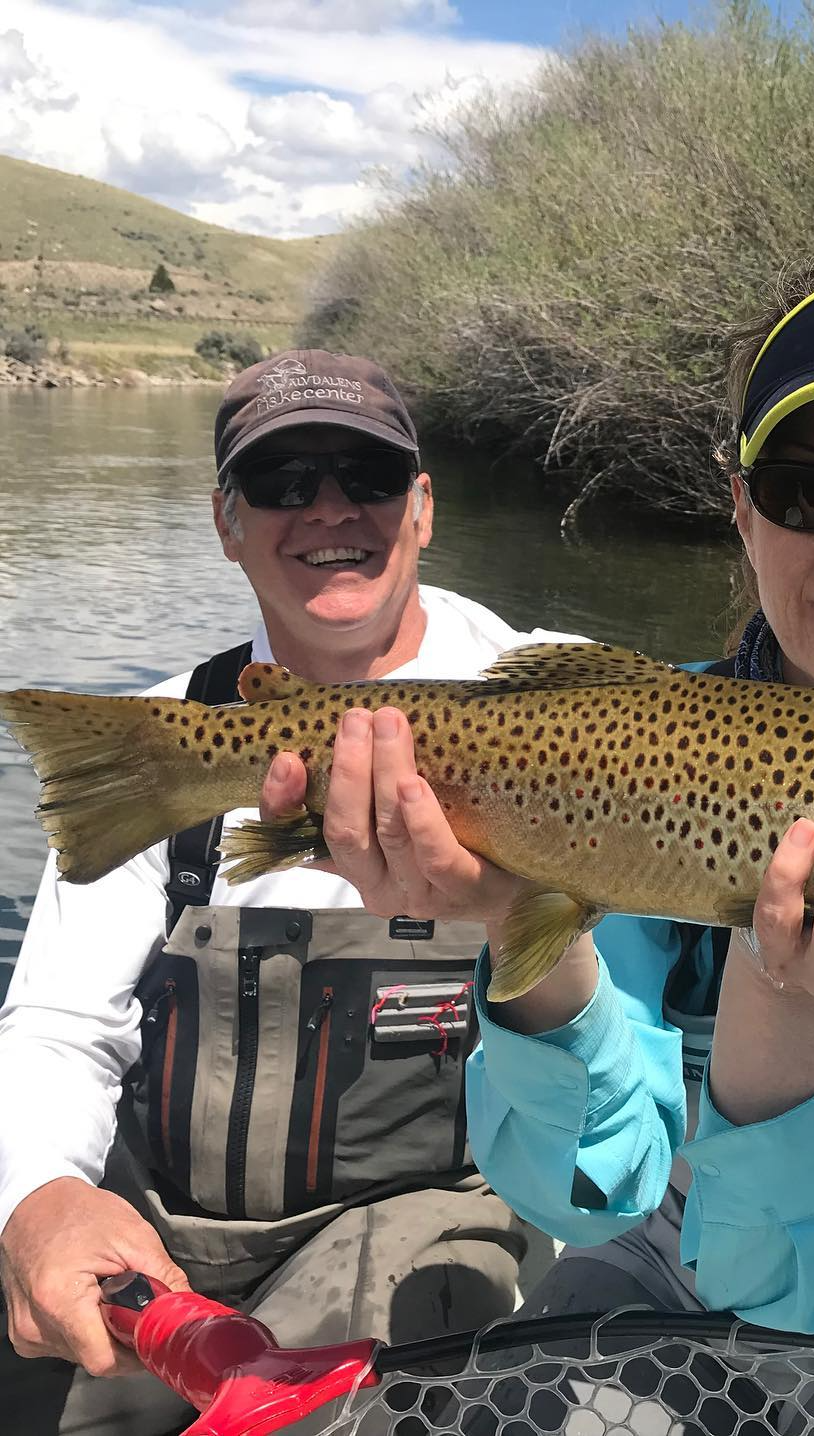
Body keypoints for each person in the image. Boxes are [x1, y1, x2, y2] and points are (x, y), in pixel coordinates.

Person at [259, 248, 814, 1346]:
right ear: (741, 509)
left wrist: (791, 992)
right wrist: (513, 919)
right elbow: (583, 1191)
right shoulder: (638, 750)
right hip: (655, 1273)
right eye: (806, 491)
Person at [0, 349, 579, 1433]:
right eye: (282, 481)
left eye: (363, 473)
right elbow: (61, 1023)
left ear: (421, 508)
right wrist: (38, 1194)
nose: (327, 508)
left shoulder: (562, 689)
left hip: (426, 1227)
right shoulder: (166, 738)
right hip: (164, 1236)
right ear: (225, 521)